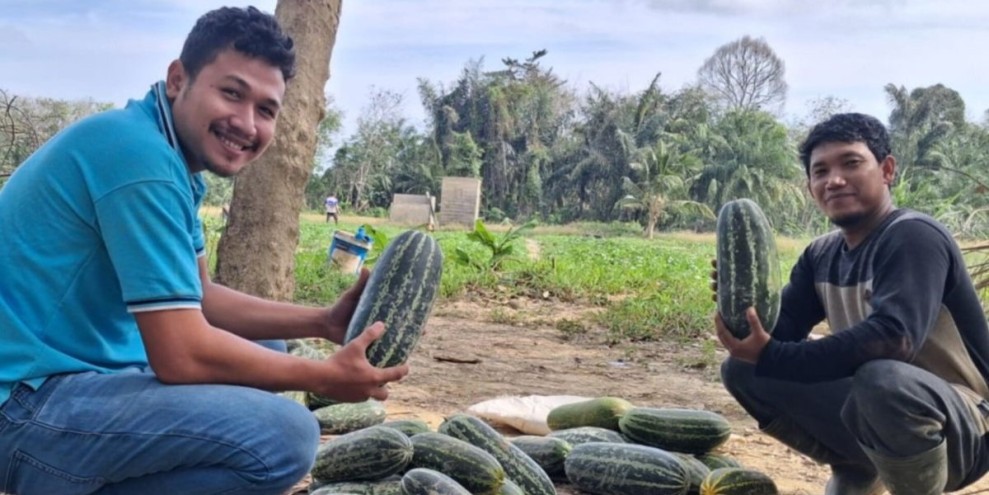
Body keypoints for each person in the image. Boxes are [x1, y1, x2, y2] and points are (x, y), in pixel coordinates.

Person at [0, 6, 409, 495]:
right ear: (178, 79)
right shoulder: (138, 158)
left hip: (66, 371)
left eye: (266, 110)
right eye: (231, 93)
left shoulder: (163, 151)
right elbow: (181, 356)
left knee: (266, 348)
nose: (246, 123)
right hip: (21, 402)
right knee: (285, 436)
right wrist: (323, 376)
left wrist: (321, 321)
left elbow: (203, 297)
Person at [713, 112, 989, 494]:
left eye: (851, 163)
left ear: (887, 169)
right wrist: (740, 295)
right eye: (820, 171)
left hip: (965, 425)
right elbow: (778, 334)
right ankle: (856, 464)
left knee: (882, 379)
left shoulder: (913, 236)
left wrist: (773, 355)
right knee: (743, 370)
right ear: (810, 187)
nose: (834, 180)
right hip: (877, 411)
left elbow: (894, 339)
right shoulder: (821, 255)